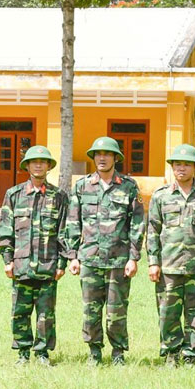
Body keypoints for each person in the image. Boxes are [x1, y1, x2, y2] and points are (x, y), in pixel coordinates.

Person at [64, 136, 145, 365]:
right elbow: (73, 222)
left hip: (119, 261)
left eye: (107, 154)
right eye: (98, 155)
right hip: (89, 259)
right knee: (90, 310)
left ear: (115, 158)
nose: (102, 158)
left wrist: (133, 257)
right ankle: (94, 352)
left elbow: (137, 223)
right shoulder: (82, 186)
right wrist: (73, 255)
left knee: (116, 311)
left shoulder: (128, 187)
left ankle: (118, 352)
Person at [147, 145, 195, 366]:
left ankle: (191, 355)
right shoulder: (161, 196)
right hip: (169, 266)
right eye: (177, 164)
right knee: (168, 312)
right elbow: (152, 230)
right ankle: (171, 353)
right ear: (172, 167)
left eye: (186, 164)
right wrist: (153, 261)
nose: (181, 168)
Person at [0, 144, 69, 366]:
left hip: (48, 266)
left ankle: (42, 353)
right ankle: (23, 352)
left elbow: (64, 231)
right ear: (27, 166)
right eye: (34, 161)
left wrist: (62, 263)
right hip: (21, 266)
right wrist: (7, 261)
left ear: (48, 166)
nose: (38, 165)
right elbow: (5, 231)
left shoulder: (59, 196)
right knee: (20, 312)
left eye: (43, 161)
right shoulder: (14, 195)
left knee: (46, 315)